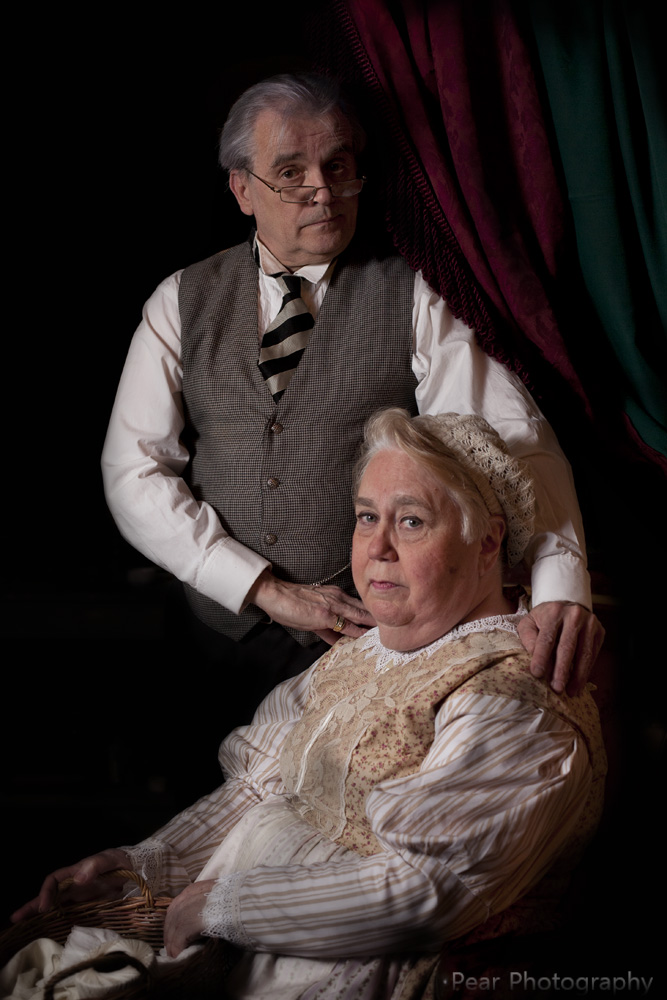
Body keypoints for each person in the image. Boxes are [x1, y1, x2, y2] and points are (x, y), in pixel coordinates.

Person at [13, 410, 606, 1000]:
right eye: (367, 517)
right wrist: (142, 867)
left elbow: (428, 887)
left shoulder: (515, 694)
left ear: (488, 541)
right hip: (241, 950)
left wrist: (224, 907)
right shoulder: (365, 652)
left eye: (412, 521)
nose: (378, 547)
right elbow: (259, 788)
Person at [101, 72, 603, 712]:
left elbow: (507, 442)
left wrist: (561, 584)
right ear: (242, 189)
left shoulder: (416, 292)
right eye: (291, 172)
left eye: (338, 166)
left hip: (369, 648)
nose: (324, 191)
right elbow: (134, 470)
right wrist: (259, 587)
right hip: (212, 640)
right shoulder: (179, 301)